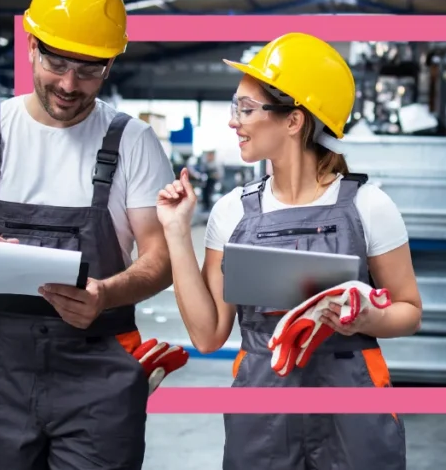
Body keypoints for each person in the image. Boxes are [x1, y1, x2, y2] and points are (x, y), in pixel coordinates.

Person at [0, 0, 177, 470]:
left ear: (110, 66)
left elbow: (162, 256)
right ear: (31, 46)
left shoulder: (132, 142)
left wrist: (105, 294)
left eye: (89, 70)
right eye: (56, 63)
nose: (68, 84)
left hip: (99, 370)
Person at [156, 32, 423, 469]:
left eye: (246, 109)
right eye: (234, 108)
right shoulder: (230, 213)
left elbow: (409, 309)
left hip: (352, 413)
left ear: (293, 121)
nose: (233, 121)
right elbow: (208, 335)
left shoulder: (369, 206)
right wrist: (175, 231)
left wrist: (366, 318)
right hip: (262, 415)